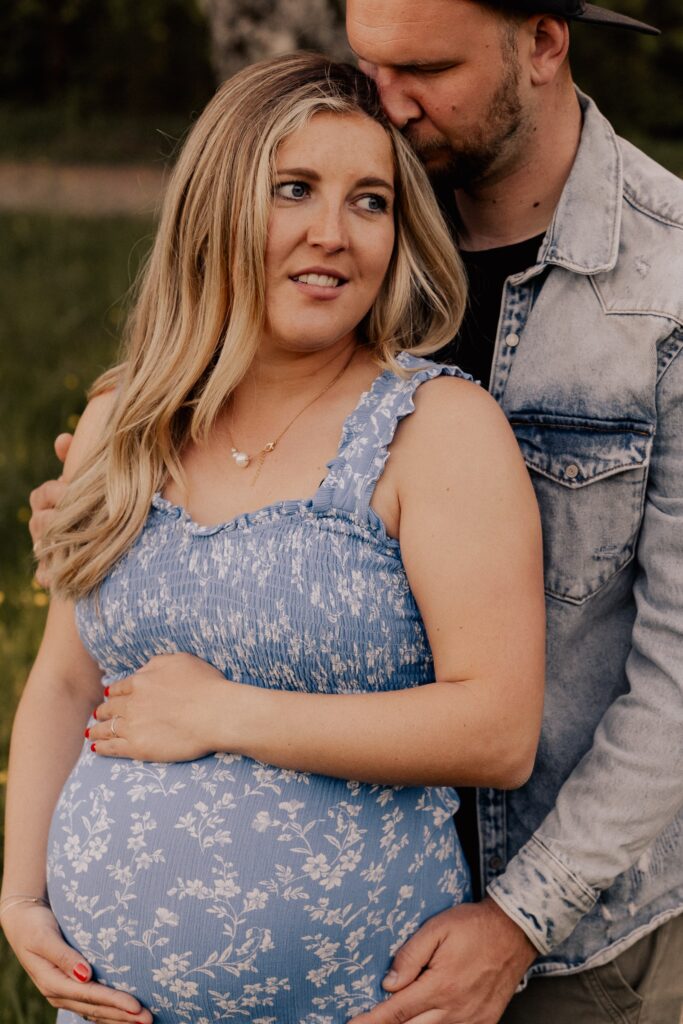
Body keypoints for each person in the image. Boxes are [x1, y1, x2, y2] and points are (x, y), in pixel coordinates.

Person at [29, 2, 683, 1021]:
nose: (387, 101)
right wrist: (108, 531)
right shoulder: (366, 185)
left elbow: (675, 667)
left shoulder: (664, 284)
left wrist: (522, 917)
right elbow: (82, 664)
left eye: (424, 68)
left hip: (570, 920)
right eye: (368, 63)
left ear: (542, 43)